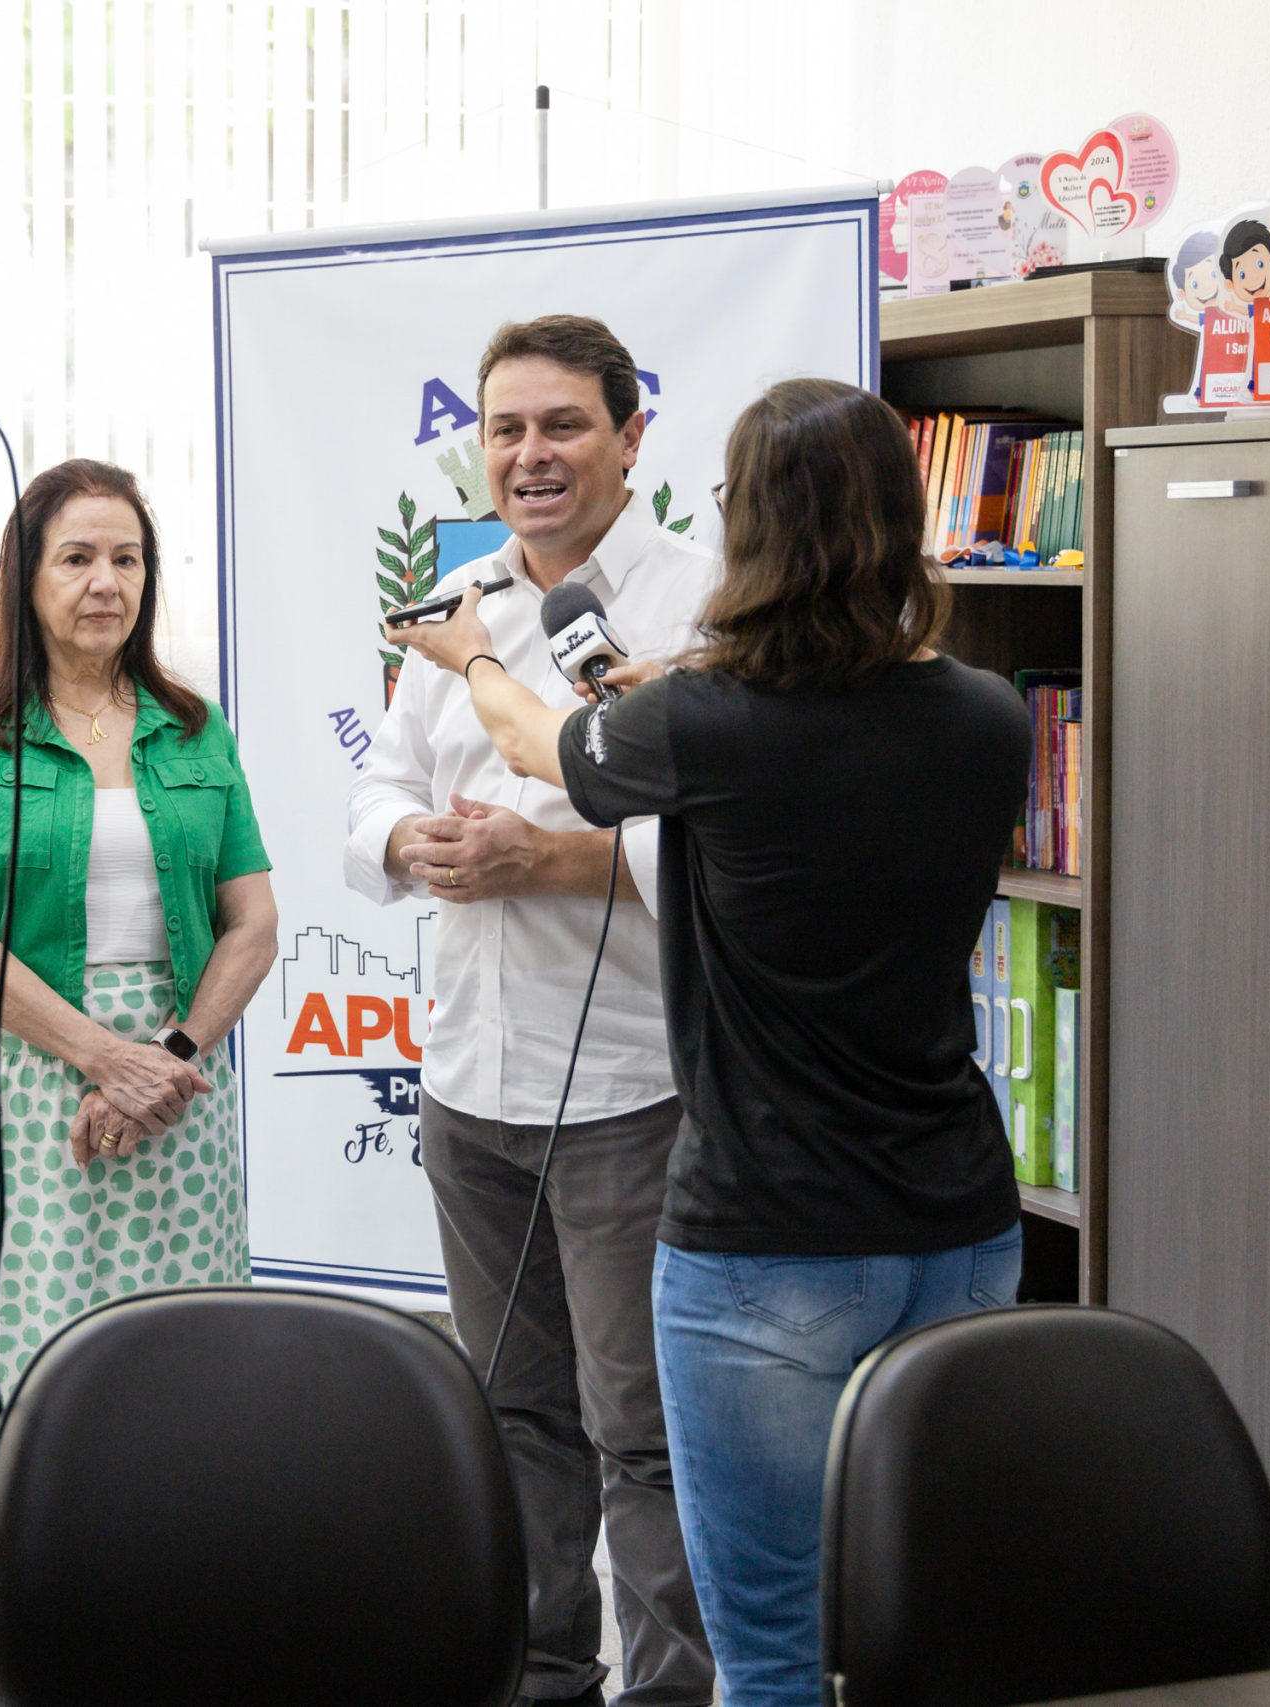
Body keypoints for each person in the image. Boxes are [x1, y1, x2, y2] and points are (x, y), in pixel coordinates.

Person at [386, 376, 1030, 1707]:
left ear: (755, 532)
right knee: (937, 1623)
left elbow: (550, 747)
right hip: (960, 1217)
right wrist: (666, 681)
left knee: (772, 1652)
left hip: (768, 1240)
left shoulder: (711, 727)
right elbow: (823, 705)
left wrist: (477, 656)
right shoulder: (989, 714)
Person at [346, 316, 715, 1707]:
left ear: (630, 435)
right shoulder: (463, 608)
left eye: (562, 424)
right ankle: (545, 1675)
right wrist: (408, 847)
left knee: (643, 1430)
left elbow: (723, 856)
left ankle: (673, 1691)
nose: (531, 454)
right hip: (467, 1087)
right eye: (505, 429)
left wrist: (545, 857)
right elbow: (378, 788)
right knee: (513, 1419)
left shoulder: (701, 601)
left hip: (630, 1088)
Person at [0, 457, 278, 1682]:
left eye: (125, 558)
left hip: (174, 1097)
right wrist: (98, 1057)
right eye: (76, 557)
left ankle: (163, 1629)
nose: (105, 581)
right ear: (24, 577)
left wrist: (164, 1061)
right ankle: (4, 1641)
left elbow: (253, 922)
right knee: (4, 1371)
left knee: (170, 1379)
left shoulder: (188, 725)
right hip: (16, 1091)